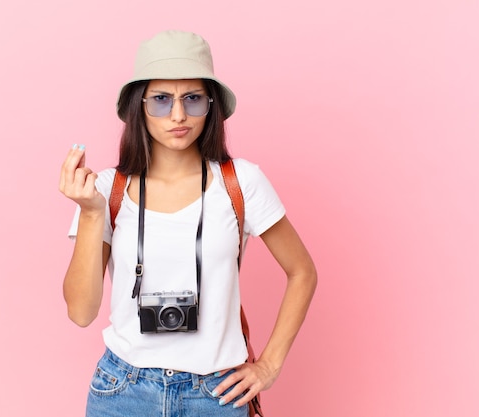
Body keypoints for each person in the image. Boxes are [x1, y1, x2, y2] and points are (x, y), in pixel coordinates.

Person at [59, 30, 317, 417]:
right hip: (124, 391)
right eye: (161, 100)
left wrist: (269, 364)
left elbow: (303, 271)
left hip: (217, 393)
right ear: (139, 106)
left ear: (211, 105)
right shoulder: (106, 190)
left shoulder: (241, 182)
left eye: (192, 99)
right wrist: (93, 212)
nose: (178, 115)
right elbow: (80, 313)